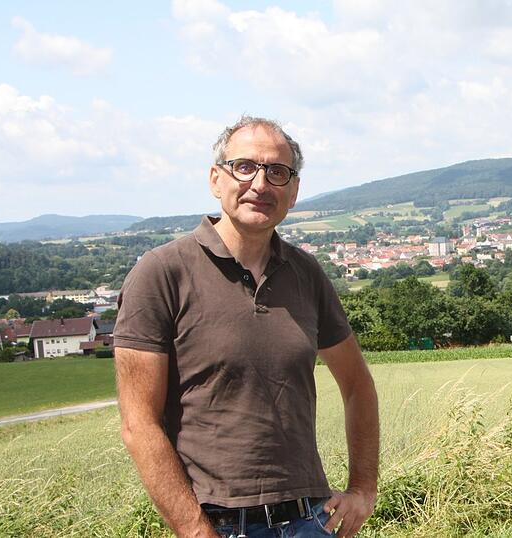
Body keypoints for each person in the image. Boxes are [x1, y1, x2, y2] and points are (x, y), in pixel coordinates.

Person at [114, 116, 379, 538]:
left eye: (277, 172)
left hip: (310, 518)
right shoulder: (161, 273)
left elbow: (358, 385)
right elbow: (138, 423)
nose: (260, 184)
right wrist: (196, 531)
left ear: (293, 192)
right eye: (245, 167)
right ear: (215, 178)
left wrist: (363, 489)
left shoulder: (306, 272)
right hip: (217, 523)